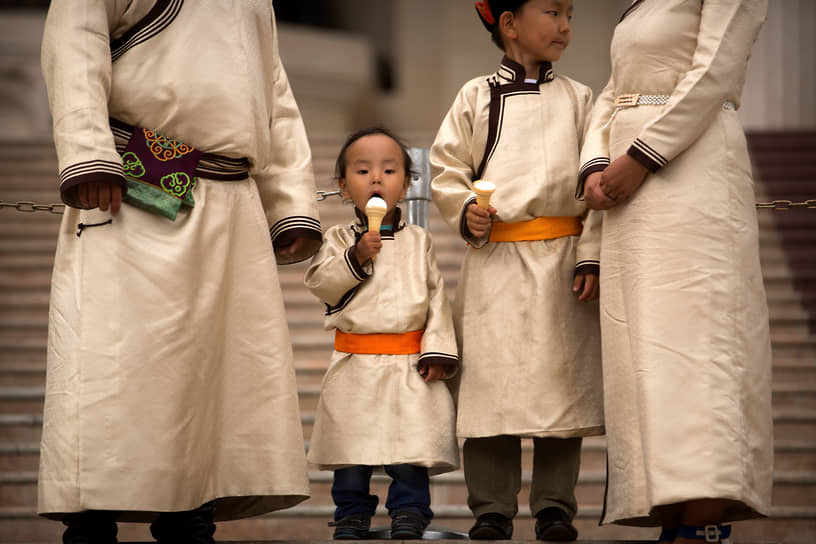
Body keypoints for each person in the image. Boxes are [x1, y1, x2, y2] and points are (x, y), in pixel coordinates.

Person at [39, 2, 322, 543]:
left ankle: (191, 520)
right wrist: (91, 156)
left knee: (212, 383)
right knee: (113, 370)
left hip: (231, 199)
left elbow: (273, 93)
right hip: (132, 183)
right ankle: (91, 526)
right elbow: (75, 43)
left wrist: (289, 203)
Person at [577, 1, 772, 543]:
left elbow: (715, 72)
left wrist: (642, 156)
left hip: (693, 173)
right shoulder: (639, 5)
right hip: (629, 192)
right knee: (649, 360)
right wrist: (595, 165)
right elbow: (612, 93)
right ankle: (673, 516)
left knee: (701, 355)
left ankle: (703, 520)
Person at [430, 1, 604, 540]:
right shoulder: (475, 96)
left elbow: (596, 188)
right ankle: (491, 508)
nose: (565, 26)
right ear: (509, 23)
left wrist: (591, 252)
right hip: (496, 262)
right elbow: (446, 168)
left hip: (561, 263)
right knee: (491, 389)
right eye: (552, 12)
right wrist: (465, 210)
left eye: (569, 14)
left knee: (561, 386)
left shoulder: (580, 99)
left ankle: (555, 506)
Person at [304, 127, 459, 540]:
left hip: (408, 362)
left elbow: (436, 299)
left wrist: (438, 350)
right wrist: (355, 257)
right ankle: (351, 513)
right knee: (351, 452)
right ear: (342, 185)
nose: (376, 179)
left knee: (409, 446)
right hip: (355, 362)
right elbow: (321, 284)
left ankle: (409, 510)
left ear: (406, 183)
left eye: (389, 170)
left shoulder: (419, 241)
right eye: (363, 170)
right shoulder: (337, 239)